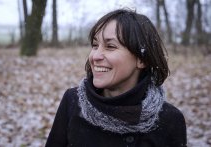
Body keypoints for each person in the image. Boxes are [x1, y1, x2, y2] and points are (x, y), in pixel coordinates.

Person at [45, 8, 187, 147]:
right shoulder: (73, 101)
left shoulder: (170, 120)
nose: (95, 56)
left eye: (110, 47)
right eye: (95, 45)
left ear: (142, 59)